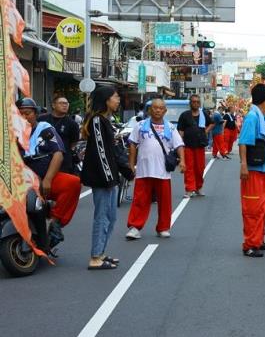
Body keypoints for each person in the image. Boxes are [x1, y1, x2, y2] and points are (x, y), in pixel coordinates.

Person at [17, 98, 81, 250]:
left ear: (35, 114)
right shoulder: (11, 133)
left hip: (44, 180)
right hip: (19, 182)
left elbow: (58, 154)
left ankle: (55, 222)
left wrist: (47, 179)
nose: (25, 117)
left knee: (73, 183)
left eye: (28, 113)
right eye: (21, 114)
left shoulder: (44, 128)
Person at [126, 97, 186, 239]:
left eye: (160, 108)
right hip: (143, 170)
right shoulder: (140, 126)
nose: (157, 110)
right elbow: (132, 144)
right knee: (140, 200)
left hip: (162, 171)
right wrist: (131, 163)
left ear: (165, 111)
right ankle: (135, 227)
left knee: (164, 201)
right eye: (154, 108)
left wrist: (182, 161)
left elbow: (179, 145)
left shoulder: (170, 127)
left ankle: (163, 227)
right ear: (149, 110)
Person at [81, 86, 122, 270]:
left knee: (111, 217)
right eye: (115, 96)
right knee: (102, 217)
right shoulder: (97, 121)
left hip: (110, 177)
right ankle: (95, 257)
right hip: (102, 178)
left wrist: (122, 172)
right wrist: (108, 178)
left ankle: (101, 252)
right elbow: (101, 152)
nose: (118, 99)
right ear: (106, 100)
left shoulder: (105, 120)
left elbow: (111, 151)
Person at [238, 83, 265, 258]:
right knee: (253, 208)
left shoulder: (263, 117)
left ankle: (259, 238)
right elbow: (243, 141)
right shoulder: (253, 116)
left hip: (264, 170)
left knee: (264, 207)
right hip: (253, 170)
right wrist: (243, 165)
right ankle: (250, 244)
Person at [177, 94, 214, 197]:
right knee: (189, 168)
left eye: (198, 102)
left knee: (199, 168)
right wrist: (180, 142)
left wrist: (205, 132)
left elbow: (211, 123)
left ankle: (198, 187)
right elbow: (180, 130)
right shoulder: (184, 115)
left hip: (200, 146)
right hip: (187, 146)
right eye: (193, 102)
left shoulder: (203, 114)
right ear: (190, 103)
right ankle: (189, 189)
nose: (196, 103)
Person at [39, 95, 81, 175]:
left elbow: (73, 143)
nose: (65, 105)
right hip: (42, 158)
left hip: (63, 161)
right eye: (61, 103)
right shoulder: (42, 119)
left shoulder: (72, 123)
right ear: (53, 105)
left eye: (66, 103)